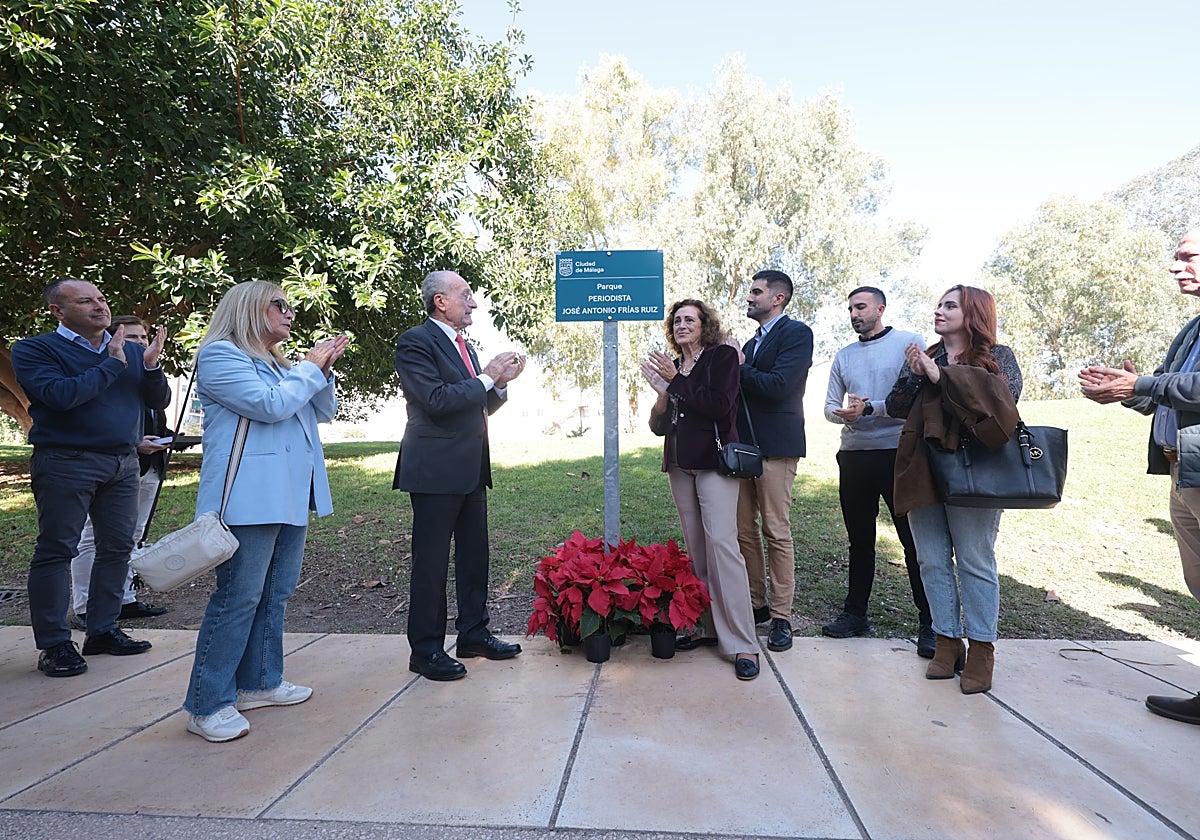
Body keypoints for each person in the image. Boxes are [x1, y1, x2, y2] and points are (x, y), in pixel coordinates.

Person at [183, 282, 347, 742]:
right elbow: (270, 406)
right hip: (248, 498)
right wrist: (309, 368)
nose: (289, 313)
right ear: (250, 308)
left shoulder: (278, 363)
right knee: (239, 597)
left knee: (275, 593)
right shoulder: (220, 356)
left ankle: (259, 681)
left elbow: (322, 411)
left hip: (289, 494)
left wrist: (322, 371)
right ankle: (206, 703)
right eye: (280, 304)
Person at [11, 278, 168, 677]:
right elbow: (61, 396)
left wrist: (149, 367)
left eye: (101, 298)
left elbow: (157, 401)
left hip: (122, 462)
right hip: (67, 461)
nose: (100, 306)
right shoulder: (34, 349)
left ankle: (102, 630)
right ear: (59, 311)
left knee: (117, 549)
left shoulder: (131, 350)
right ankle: (55, 644)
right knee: (56, 550)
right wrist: (113, 363)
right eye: (85, 301)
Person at [1080, 228, 1200, 724]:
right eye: (1174, 258)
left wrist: (1146, 382)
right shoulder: (1193, 328)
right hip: (1183, 470)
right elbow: (1161, 393)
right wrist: (1123, 389)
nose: (1175, 267)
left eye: (1187, 256)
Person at [886, 285, 1022, 695]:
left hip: (977, 470)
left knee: (974, 560)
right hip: (924, 467)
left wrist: (942, 376)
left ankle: (981, 648)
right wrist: (917, 374)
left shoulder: (998, 357)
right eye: (939, 305)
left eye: (950, 305)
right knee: (930, 559)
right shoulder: (926, 354)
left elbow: (1006, 402)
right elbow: (895, 406)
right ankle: (947, 639)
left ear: (974, 313)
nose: (939, 311)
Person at [393, 270, 525, 682]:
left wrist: (499, 385)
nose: (472, 303)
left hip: (470, 469)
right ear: (440, 302)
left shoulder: (463, 345)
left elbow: (474, 403)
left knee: (474, 557)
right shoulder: (415, 341)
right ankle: (426, 650)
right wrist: (486, 375)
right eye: (465, 295)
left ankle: (473, 633)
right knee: (430, 564)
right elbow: (435, 400)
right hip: (433, 470)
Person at [642, 299, 761, 681]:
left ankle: (743, 642)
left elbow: (719, 405)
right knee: (697, 552)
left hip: (714, 465)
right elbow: (659, 428)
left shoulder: (721, 357)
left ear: (705, 324)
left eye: (689, 319)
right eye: (676, 321)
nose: (681, 325)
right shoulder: (678, 367)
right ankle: (707, 627)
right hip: (680, 466)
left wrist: (675, 383)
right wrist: (662, 394)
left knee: (723, 547)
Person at [823, 287, 934, 657]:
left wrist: (869, 409)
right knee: (860, 541)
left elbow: (913, 400)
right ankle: (855, 614)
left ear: (880, 309)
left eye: (861, 307)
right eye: (850, 308)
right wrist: (845, 414)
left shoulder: (909, 343)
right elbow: (827, 407)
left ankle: (929, 623)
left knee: (912, 541)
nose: (854, 314)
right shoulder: (844, 356)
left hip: (899, 455)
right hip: (854, 457)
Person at [730, 269, 812, 653]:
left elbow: (780, 386)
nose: (750, 297)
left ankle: (782, 616)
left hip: (777, 447)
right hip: (743, 450)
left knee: (775, 531)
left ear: (778, 298)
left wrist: (740, 366)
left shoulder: (796, 334)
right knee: (743, 530)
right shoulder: (751, 342)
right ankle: (755, 604)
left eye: (756, 292)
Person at [70, 315, 169, 628]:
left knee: (132, 536)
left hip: (150, 464)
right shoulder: (103, 372)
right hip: (110, 465)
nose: (141, 343)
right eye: (132, 337)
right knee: (90, 537)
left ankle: (122, 599)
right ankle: (86, 605)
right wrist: (134, 442)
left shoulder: (148, 370)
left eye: (143, 337)